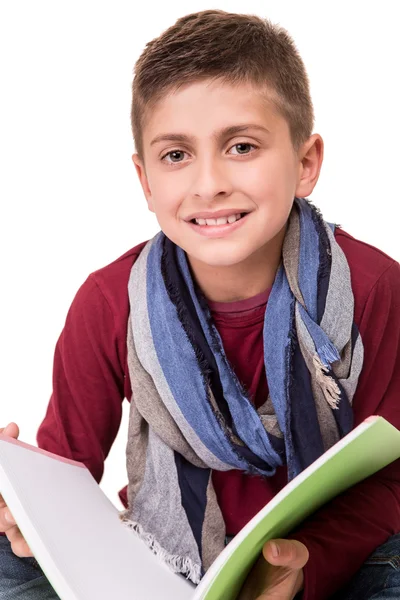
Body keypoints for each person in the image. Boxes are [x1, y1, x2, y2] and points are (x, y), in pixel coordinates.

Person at [1, 9, 400, 600]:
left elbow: (389, 477)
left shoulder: (373, 287)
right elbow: (71, 473)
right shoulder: (110, 301)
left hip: (318, 557)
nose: (208, 183)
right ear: (145, 181)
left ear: (306, 163)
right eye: (176, 155)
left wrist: (303, 566)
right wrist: (28, 508)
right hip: (164, 557)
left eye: (241, 146)